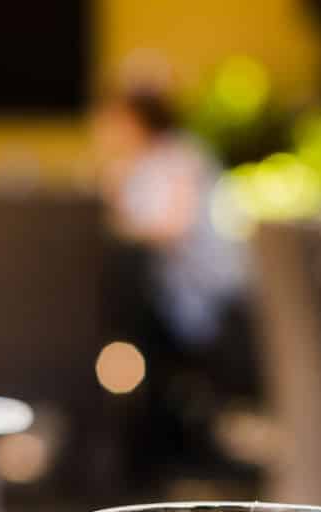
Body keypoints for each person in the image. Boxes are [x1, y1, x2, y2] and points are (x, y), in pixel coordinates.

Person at [96, 71, 245, 352]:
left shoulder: (181, 157)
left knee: (117, 303)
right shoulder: (141, 162)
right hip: (165, 283)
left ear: (136, 119)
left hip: (200, 287)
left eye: (115, 119)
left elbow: (174, 226)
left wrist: (123, 224)